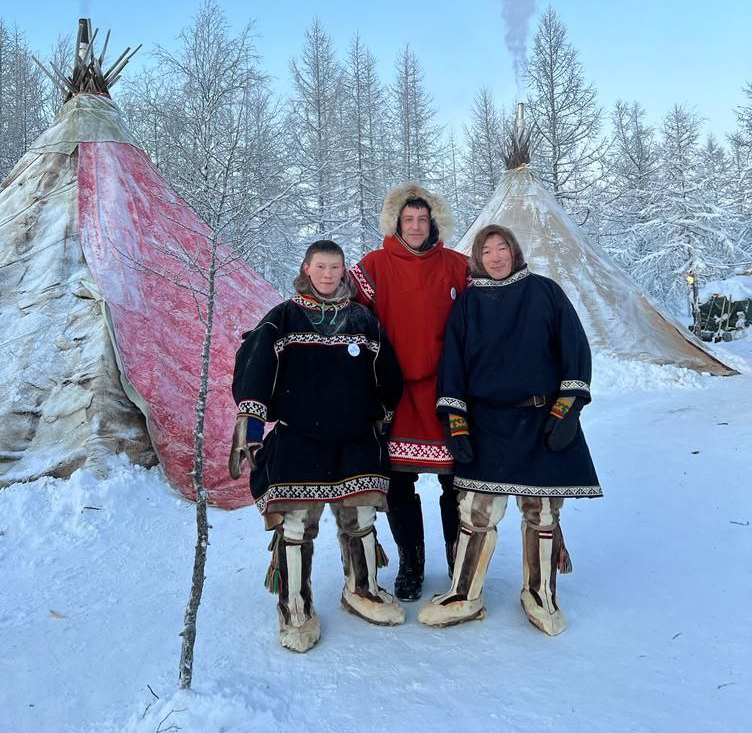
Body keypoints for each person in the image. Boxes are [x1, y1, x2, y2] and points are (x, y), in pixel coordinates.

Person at [418, 224, 602, 636]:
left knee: (543, 511)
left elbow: (575, 349)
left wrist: (566, 412)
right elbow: (454, 366)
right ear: (478, 259)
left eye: (503, 248)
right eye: (487, 251)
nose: (496, 256)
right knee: (476, 510)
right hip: (488, 423)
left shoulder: (545, 292)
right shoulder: (468, 304)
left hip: (543, 419)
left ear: (515, 252)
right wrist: (457, 424)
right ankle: (464, 594)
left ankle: (540, 593)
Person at [229, 239, 405, 653]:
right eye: (321, 267)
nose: (328, 275)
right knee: (295, 527)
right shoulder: (283, 318)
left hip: (355, 438)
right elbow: (254, 371)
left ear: (344, 271)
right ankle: (295, 607)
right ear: (306, 268)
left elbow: (388, 375)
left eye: (336, 268)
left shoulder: (363, 319)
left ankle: (361, 590)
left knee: (360, 518)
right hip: (299, 439)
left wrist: (380, 415)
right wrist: (251, 431)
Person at [350, 184, 469, 601]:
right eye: (408, 219)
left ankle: (459, 560)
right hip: (395, 390)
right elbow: (342, 306)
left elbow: (489, 314)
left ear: (433, 221)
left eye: (422, 219)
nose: (415, 226)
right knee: (400, 484)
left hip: (446, 392)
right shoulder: (375, 265)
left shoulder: (458, 266)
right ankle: (411, 564)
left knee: (455, 482)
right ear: (396, 222)